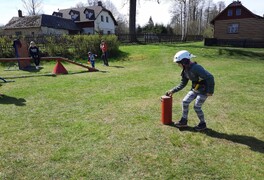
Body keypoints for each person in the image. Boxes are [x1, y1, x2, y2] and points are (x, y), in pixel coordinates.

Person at [166, 50, 215, 131]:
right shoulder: (185, 70)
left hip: (204, 90)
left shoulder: (196, 68)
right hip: (195, 89)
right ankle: (183, 121)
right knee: (185, 102)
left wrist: (210, 91)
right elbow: (183, 84)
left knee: (197, 107)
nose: (178, 65)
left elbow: (210, 77)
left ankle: (203, 124)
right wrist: (173, 90)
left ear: (184, 62)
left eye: (179, 63)